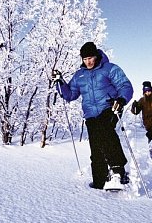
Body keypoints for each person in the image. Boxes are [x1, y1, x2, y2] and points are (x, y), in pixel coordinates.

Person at [52, 41, 133, 190]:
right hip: (90, 114)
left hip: (110, 107)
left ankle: (118, 171)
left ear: (96, 56)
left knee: (106, 131)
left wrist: (121, 100)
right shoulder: (79, 76)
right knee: (95, 146)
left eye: (90, 58)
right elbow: (70, 94)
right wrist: (60, 82)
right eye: (85, 59)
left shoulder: (110, 69)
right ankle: (99, 180)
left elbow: (125, 86)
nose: (88, 62)